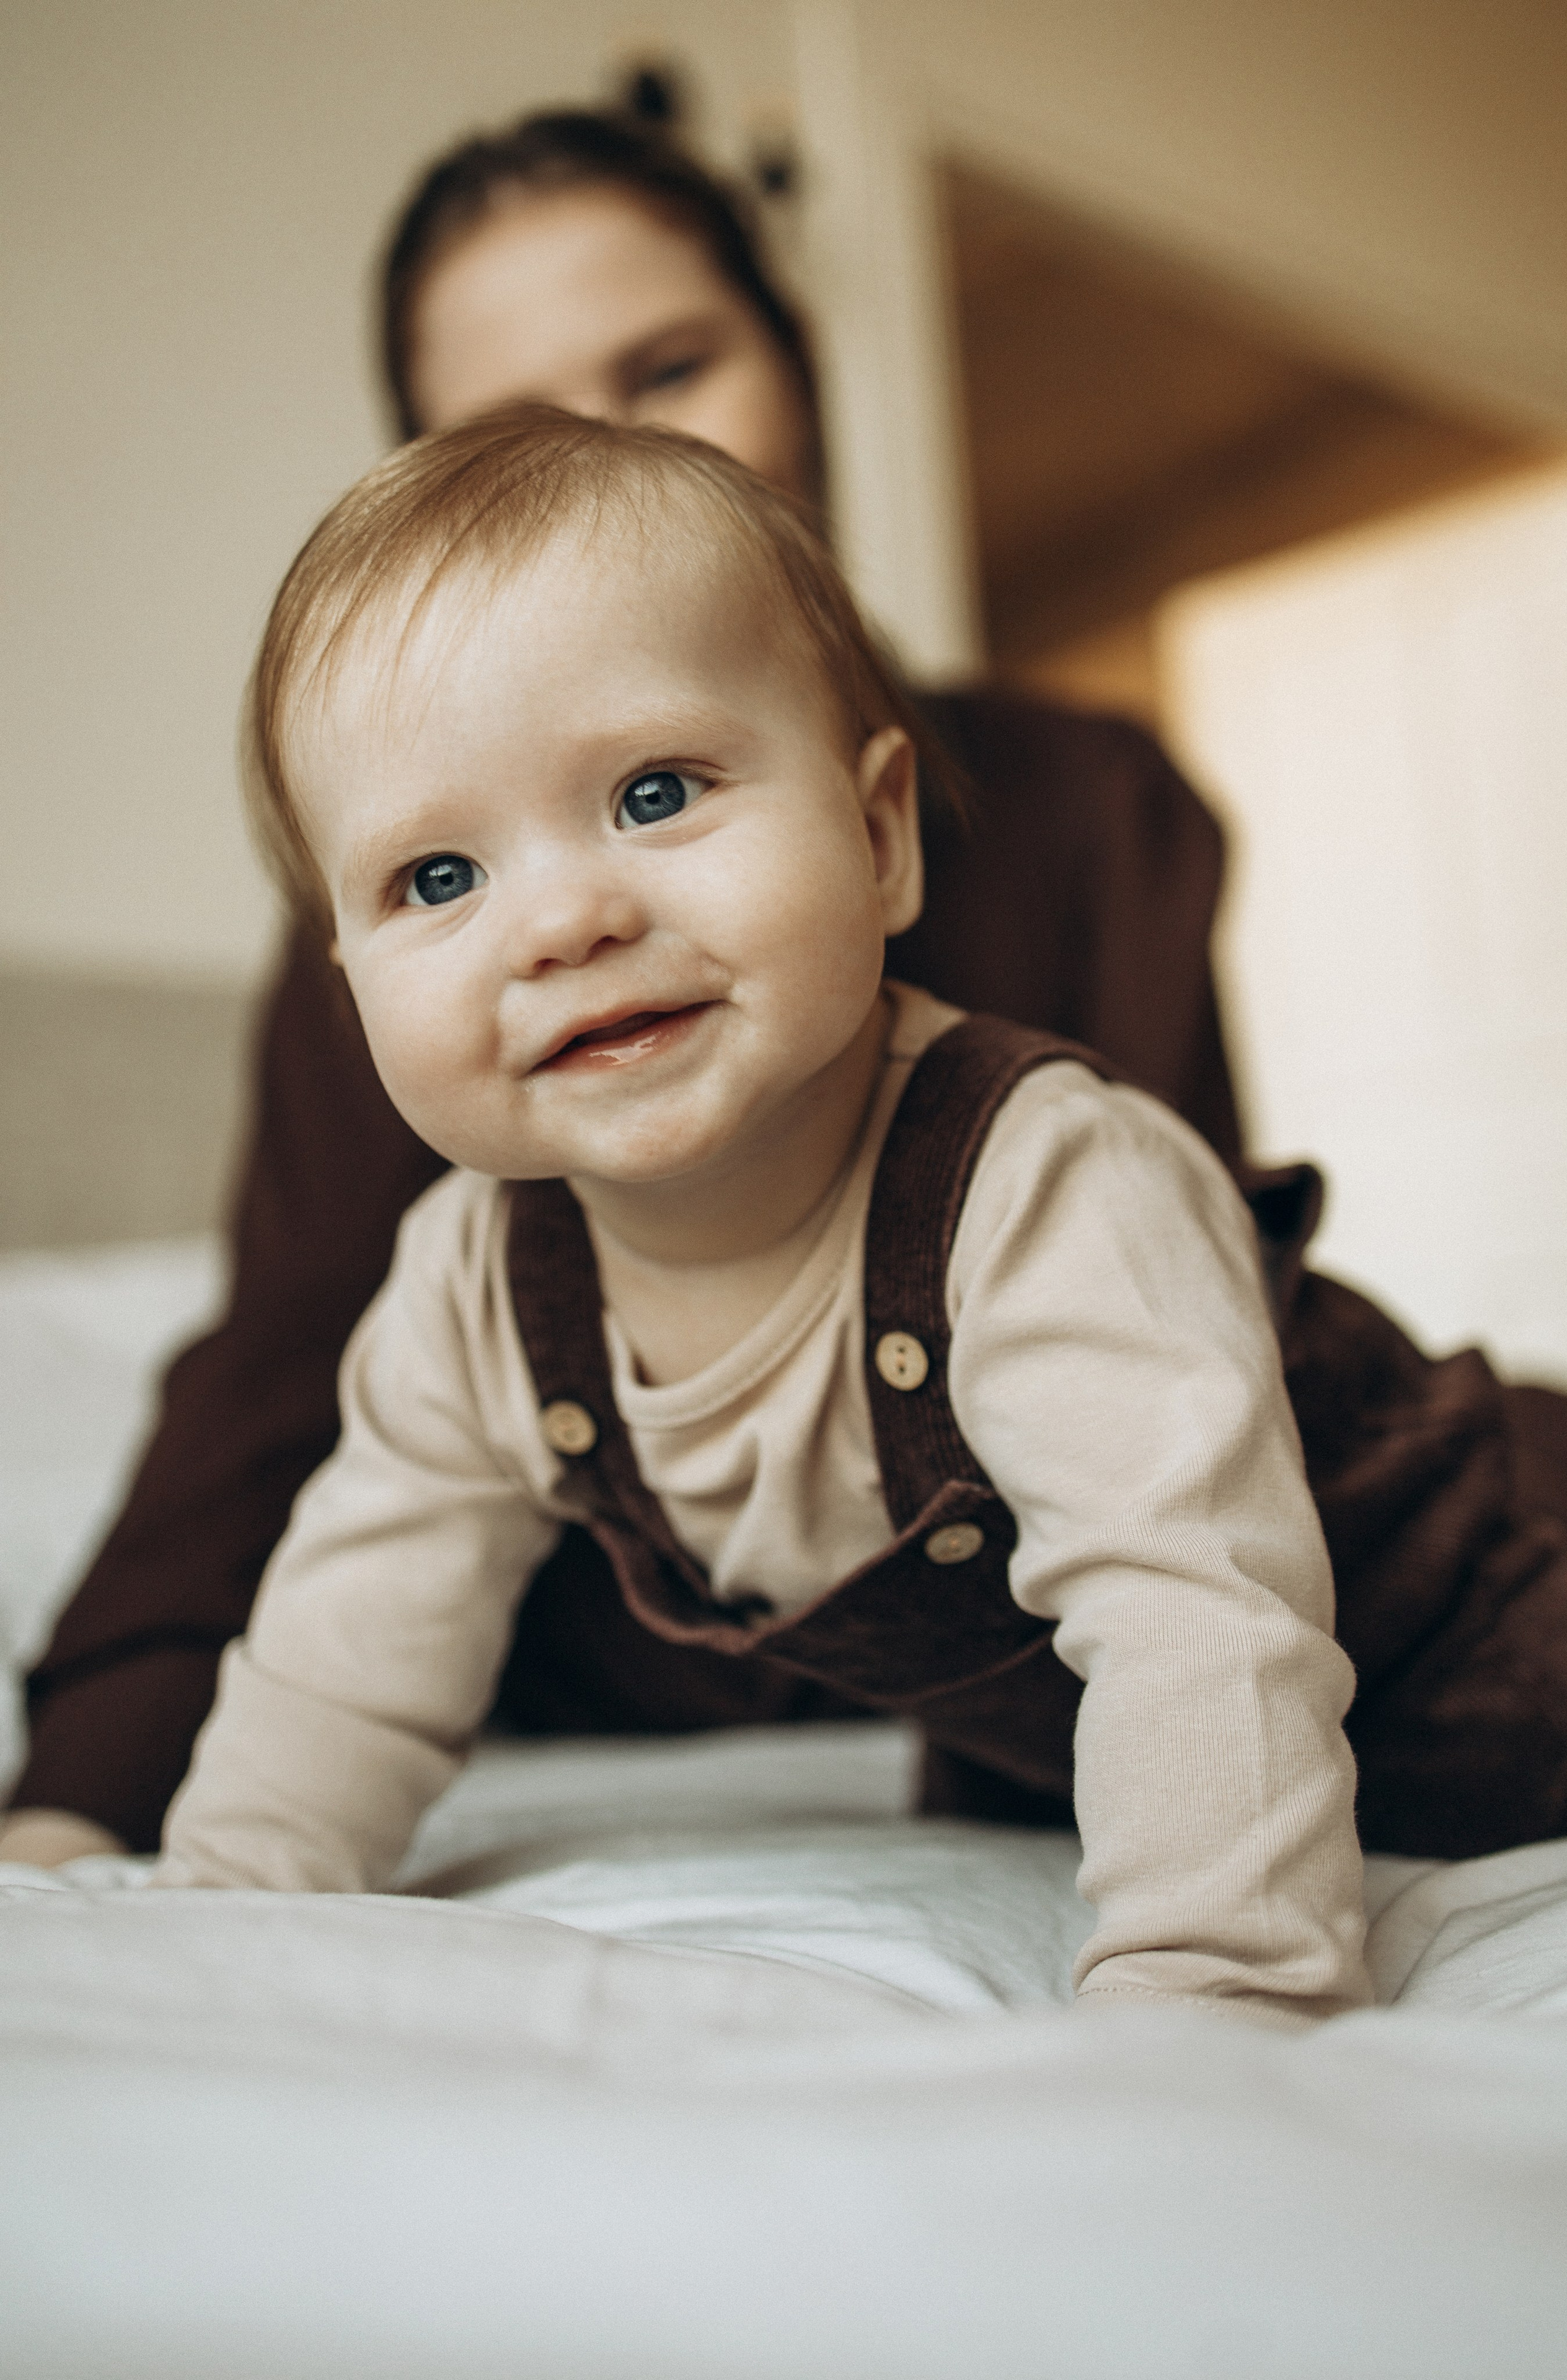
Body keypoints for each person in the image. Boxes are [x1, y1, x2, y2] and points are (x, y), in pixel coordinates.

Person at [2, 112, 1244, 1867]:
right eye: (517, 438)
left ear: (800, 376)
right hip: (651, 1634)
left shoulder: (1093, 815)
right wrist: (86, 1805)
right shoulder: (430, 1015)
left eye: (669, 367)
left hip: (1082, 1578)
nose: (568, 921)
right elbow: (299, 1387)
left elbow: (1201, 1368)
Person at [153, 403, 1374, 2031]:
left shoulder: (1038, 1177)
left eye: (656, 792)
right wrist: (212, 1922)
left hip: (1480, 1627)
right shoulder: (474, 1290)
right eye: (438, 880)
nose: (569, 920)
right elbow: (343, 1659)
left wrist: (1217, 1987)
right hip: (1061, 1760)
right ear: (346, 981)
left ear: (879, 837)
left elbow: (1197, 1612)